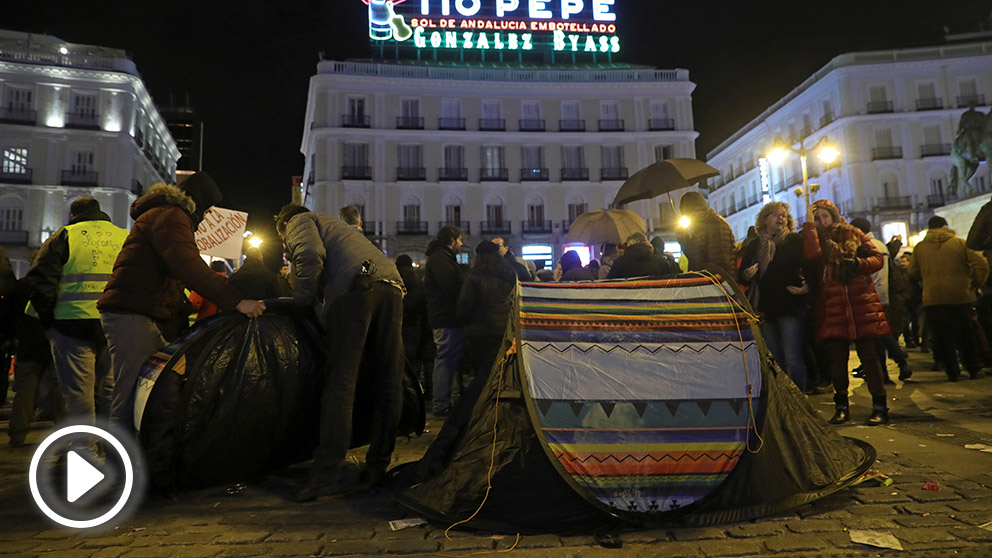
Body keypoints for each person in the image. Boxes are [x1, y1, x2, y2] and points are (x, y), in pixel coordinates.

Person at [98, 174, 266, 430]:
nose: (209, 215)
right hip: (133, 312)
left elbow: (175, 270)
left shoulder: (165, 214)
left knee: (155, 386)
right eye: (208, 208)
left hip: (142, 312)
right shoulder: (171, 216)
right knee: (131, 390)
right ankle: (117, 461)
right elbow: (187, 265)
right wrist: (237, 302)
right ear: (198, 201)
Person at [276, 204, 405, 500]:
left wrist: (300, 298)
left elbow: (308, 256)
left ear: (284, 225)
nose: (286, 245)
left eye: (284, 241)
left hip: (357, 291)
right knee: (389, 381)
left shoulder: (300, 220)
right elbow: (365, 263)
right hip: (391, 285)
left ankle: (326, 474)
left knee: (341, 384)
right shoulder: (341, 229)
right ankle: (377, 467)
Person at [26, 198, 127, 433]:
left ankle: (86, 450)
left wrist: (48, 320)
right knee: (112, 390)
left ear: (73, 215)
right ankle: (114, 448)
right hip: (115, 324)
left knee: (79, 393)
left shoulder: (65, 235)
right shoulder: (124, 236)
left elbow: (40, 280)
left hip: (71, 325)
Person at [803, 200, 891, 425]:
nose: (822, 221)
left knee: (870, 358)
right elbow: (812, 255)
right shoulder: (817, 240)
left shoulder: (853, 233)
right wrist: (809, 226)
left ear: (833, 215)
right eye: (818, 217)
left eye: (825, 216)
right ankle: (841, 406)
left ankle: (880, 405)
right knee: (837, 360)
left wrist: (858, 264)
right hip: (834, 306)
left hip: (860, 302)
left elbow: (877, 259)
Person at [738, 201, 810, 392]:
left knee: (792, 357)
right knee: (775, 357)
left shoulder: (794, 241)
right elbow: (742, 275)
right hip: (765, 308)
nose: (781, 218)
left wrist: (806, 288)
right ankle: (782, 398)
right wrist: (747, 274)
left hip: (789, 305)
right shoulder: (755, 244)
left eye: (784, 215)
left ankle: (798, 397)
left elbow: (809, 266)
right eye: (775, 214)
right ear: (764, 219)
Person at [909, 216, 990, 381]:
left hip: (934, 298)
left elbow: (912, 271)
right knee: (966, 334)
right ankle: (973, 368)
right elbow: (981, 264)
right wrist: (975, 283)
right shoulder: (960, 244)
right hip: (961, 295)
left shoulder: (920, 247)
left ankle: (952, 372)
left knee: (943, 336)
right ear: (946, 226)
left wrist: (927, 278)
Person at [850, 217, 911, 383]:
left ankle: (897, 363)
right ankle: (888, 369)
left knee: (878, 335)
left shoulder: (868, 246)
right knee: (878, 335)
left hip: (871, 296)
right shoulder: (878, 245)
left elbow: (875, 275)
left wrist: (875, 296)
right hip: (879, 296)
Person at [456, 241, 516, 394]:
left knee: (481, 373)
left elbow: (464, 307)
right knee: (499, 372)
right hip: (503, 331)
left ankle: (481, 406)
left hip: (480, 333)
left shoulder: (474, 278)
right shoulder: (508, 275)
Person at [423, 226, 465, 417]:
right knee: (445, 359)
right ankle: (441, 403)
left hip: (445, 317)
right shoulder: (441, 260)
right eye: (460, 240)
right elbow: (452, 286)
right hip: (445, 318)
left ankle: (444, 401)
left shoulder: (441, 258)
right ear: (452, 240)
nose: (462, 244)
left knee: (447, 359)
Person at [676, 191, 737, 274]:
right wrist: (683, 238)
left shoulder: (715, 224)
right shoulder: (699, 227)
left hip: (719, 282)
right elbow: (694, 259)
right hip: (707, 280)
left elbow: (719, 261)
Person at [395, 254, 428, 371]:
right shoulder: (417, 284)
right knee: (412, 363)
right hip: (414, 326)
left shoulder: (393, 280)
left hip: (396, 326)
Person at [608, 232, 677, 279]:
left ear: (628, 245)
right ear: (646, 243)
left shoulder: (619, 263)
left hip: (628, 299)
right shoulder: (660, 262)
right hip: (655, 299)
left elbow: (610, 284)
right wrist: (655, 252)